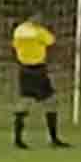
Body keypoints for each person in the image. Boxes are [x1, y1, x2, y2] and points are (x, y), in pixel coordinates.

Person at [11, 12, 70, 149]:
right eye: (38, 17)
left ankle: (18, 139)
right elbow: (51, 41)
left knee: (32, 101)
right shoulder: (39, 31)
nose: (41, 19)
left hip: (24, 69)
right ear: (32, 17)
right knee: (45, 102)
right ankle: (52, 139)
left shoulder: (19, 30)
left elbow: (15, 46)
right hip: (37, 70)